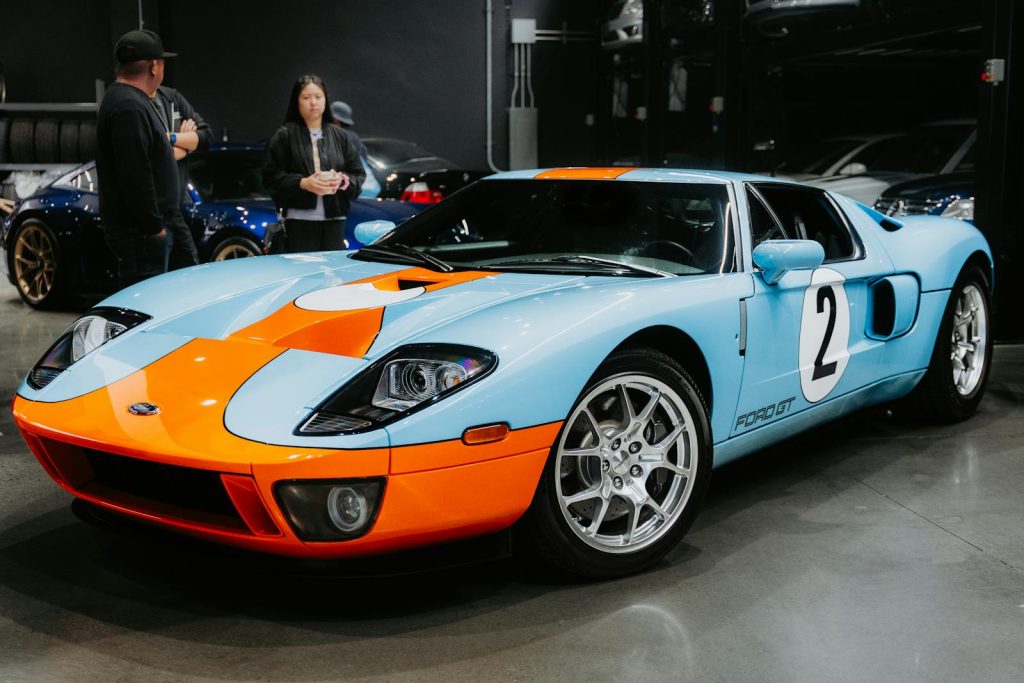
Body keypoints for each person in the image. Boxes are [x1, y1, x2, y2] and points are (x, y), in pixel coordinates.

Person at [95, 29, 183, 287]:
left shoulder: (124, 100)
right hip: (141, 237)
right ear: (154, 67)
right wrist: (154, 227)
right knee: (146, 314)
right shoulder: (129, 107)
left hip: (141, 235)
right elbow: (135, 174)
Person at [263, 76, 365, 253]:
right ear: (297, 101)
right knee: (304, 275)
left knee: (334, 274)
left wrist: (341, 181)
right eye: (306, 97)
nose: (313, 103)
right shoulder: (284, 135)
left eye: (318, 97)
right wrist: (303, 183)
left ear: (325, 100)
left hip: (335, 220)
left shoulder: (340, 136)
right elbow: (270, 178)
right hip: (298, 222)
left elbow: (358, 174)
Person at [152, 85, 214, 269]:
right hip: (152, 212)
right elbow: (152, 149)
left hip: (174, 211)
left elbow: (206, 137)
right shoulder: (136, 104)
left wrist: (173, 139)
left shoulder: (171, 97)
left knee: (190, 269)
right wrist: (187, 141)